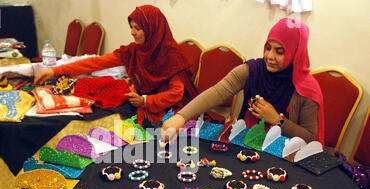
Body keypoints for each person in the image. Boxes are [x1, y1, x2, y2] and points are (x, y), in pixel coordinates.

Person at [161, 18, 325, 145]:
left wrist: (277, 120)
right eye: (268, 47)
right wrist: (181, 117)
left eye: (280, 51)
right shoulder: (253, 69)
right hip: (245, 145)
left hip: (282, 157)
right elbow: (218, 92)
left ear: (296, 53)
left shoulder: (306, 88)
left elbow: (310, 137)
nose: (270, 56)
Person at [34, 5, 198, 127]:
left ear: (152, 30)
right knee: (97, 88)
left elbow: (177, 93)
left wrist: (145, 101)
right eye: (131, 27)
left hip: (169, 110)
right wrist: (55, 70)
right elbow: (95, 63)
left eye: (138, 28)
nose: (132, 33)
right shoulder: (133, 51)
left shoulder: (171, 56)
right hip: (140, 101)